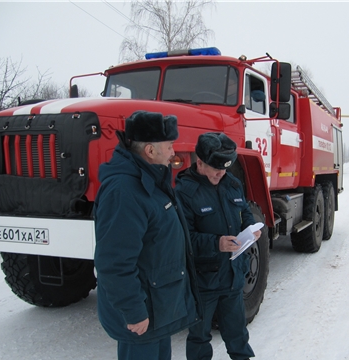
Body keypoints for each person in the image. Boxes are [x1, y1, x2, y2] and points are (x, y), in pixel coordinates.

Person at [94, 110, 202, 360]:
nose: (174, 152)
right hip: (142, 316)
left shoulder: (152, 180)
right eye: (170, 146)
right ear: (150, 151)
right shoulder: (125, 191)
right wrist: (133, 311)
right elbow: (114, 262)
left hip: (159, 308)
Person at [174, 132, 261, 360]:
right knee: (199, 340)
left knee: (238, 336)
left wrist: (251, 229)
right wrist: (217, 243)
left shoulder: (231, 183)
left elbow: (244, 212)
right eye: (216, 168)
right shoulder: (184, 191)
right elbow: (183, 239)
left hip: (233, 278)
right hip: (204, 282)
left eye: (225, 168)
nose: (221, 173)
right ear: (199, 162)